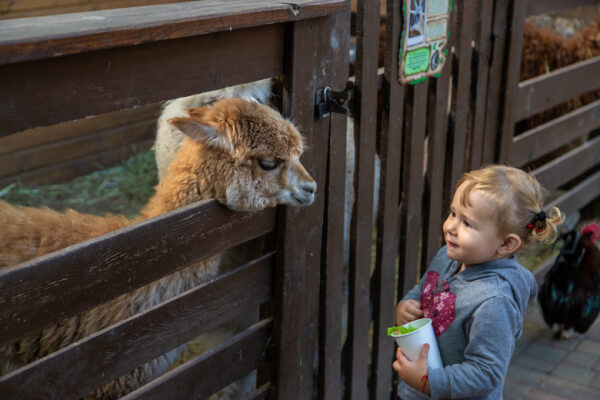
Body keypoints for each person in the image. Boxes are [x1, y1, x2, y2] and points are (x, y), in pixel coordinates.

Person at [392, 165, 564, 399]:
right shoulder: (447, 256)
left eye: (468, 223)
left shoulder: (495, 302)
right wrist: (407, 306)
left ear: (505, 244)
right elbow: (423, 291)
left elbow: (487, 372)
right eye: (453, 213)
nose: (451, 227)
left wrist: (429, 382)